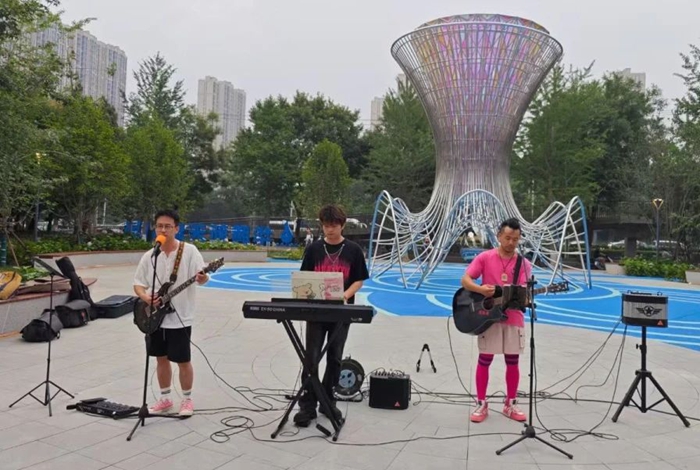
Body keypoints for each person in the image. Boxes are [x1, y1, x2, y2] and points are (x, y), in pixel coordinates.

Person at [294, 204, 369, 427]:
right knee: (311, 357)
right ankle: (308, 405)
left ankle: (328, 401)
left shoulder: (353, 250)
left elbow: (359, 280)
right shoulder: (314, 249)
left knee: (335, 357)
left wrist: (345, 295)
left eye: (334, 225)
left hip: (341, 312)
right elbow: (304, 278)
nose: (330, 229)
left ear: (342, 225)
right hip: (316, 312)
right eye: (326, 225)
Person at [133, 209, 209, 417]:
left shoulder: (189, 251)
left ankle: (187, 400)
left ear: (176, 229)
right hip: (154, 317)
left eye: (167, 226)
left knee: (183, 360)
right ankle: (165, 399)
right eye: (159, 226)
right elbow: (138, 284)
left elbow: (202, 276)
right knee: (160, 358)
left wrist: (203, 278)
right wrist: (146, 297)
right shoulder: (150, 256)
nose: (163, 230)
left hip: (180, 317)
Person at [460, 218, 532, 423]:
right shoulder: (485, 257)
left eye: (515, 239)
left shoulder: (524, 264)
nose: (511, 243)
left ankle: (511, 402)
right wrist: (481, 290)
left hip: (513, 317)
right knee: (485, 359)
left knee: (513, 361)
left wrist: (526, 299)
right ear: (499, 236)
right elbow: (465, 280)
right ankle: (481, 402)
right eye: (507, 238)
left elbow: (525, 292)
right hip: (488, 318)